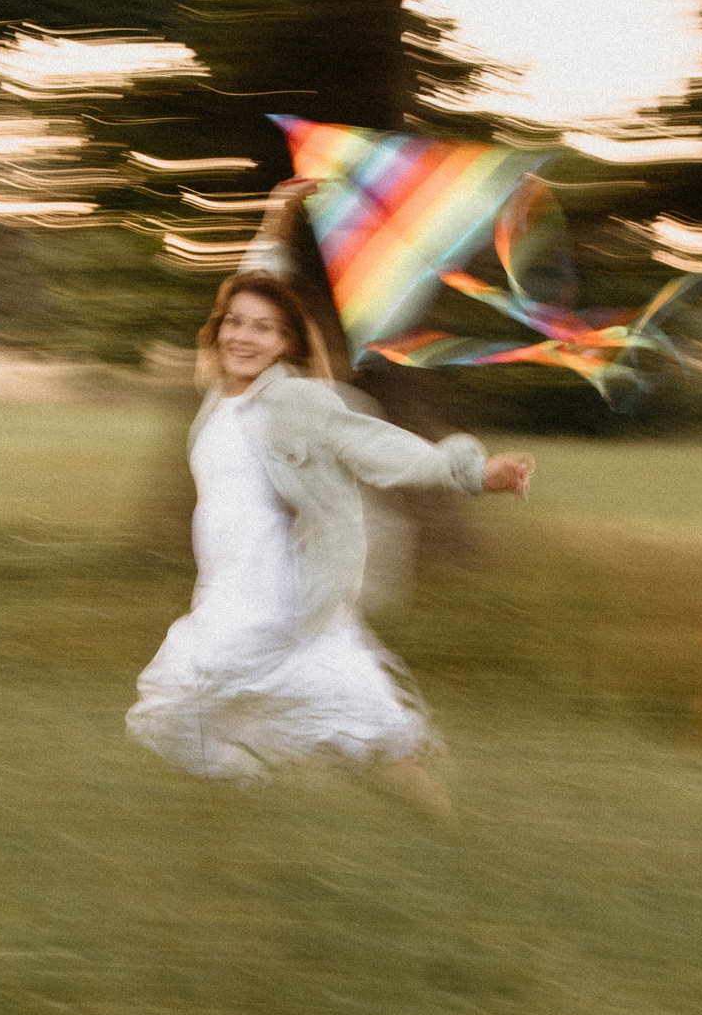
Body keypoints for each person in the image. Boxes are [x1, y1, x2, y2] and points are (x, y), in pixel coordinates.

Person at [125, 265, 533, 816]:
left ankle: (451, 828)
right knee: (182, 713)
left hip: (284, 605)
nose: (244, 337)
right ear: (218, 327)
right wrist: (281, 212)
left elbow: (372, 445)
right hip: (223, 598)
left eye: (263, 328)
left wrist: (473, 473)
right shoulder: (219, 402)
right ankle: (225, 824)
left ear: (287, 342)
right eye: (235, 323)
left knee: (362, 738)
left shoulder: (293, 403)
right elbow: (261, 261)